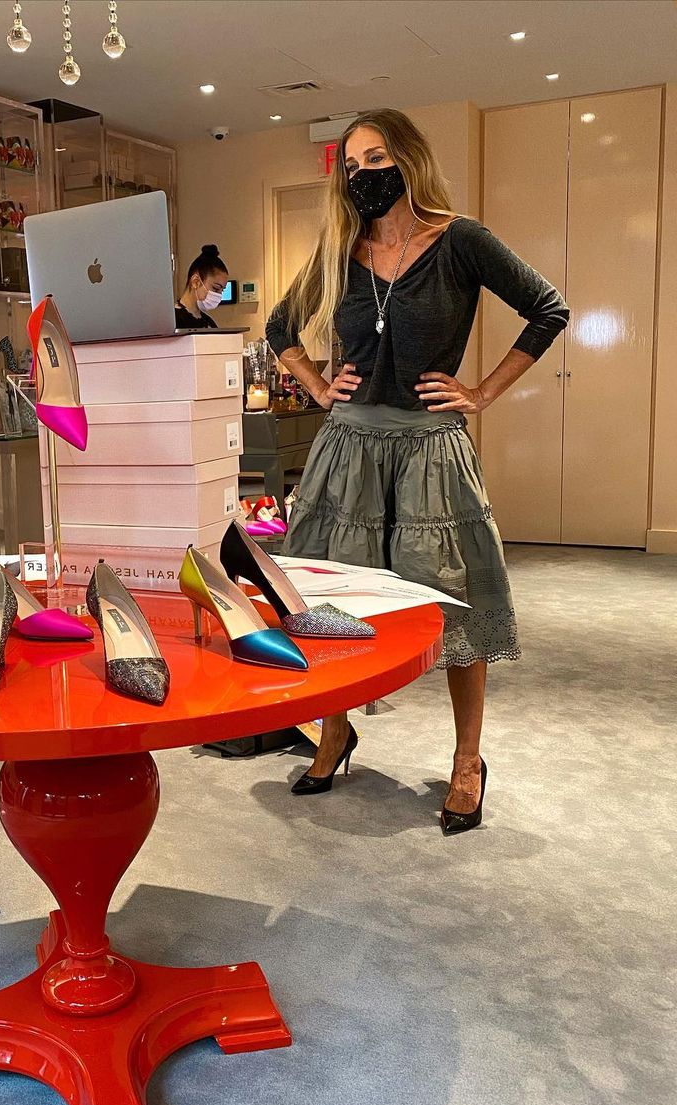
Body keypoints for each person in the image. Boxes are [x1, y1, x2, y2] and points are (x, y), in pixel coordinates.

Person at [265, 107, 569, 834]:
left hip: (431, 453)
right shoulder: (340, 249)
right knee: (332, 605)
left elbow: (547, 309)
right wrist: (316, 384)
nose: (362, 175)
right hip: (347, 453)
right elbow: (280, 327)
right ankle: (335, 731)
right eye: (351, 165)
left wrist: (481, 392)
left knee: (454, 606)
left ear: (409, 159)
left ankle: (467, 760)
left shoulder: (461, 240)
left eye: (376, 159)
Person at [176, 244, 229, 329]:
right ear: (196, 282)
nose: (219, 295)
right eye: (216, 288)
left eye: (222, 290)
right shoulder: (173, 321)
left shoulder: (209, 322)